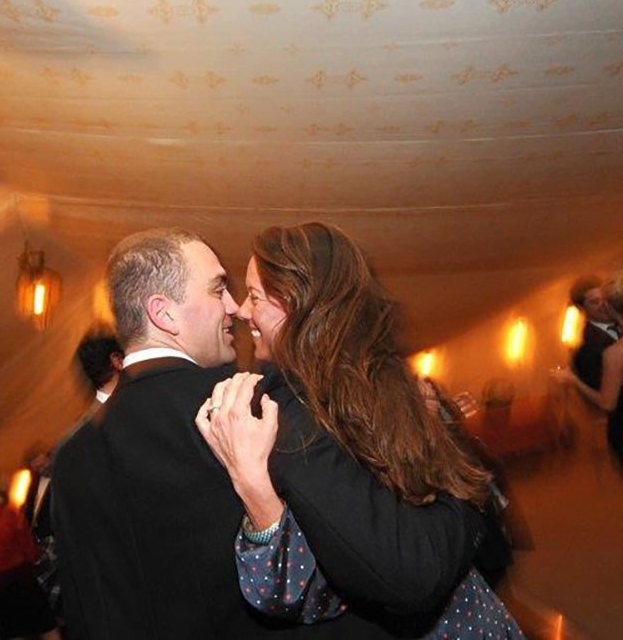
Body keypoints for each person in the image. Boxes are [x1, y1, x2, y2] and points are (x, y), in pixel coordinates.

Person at [52, 227, 486, 639]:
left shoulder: (70, 456)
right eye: (218, 289)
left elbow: (84, 607)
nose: (233, 307)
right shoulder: (250, 403)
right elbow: (375, 561)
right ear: (163, 313)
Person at [195, 222, 522, 637]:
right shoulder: (310, 407)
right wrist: (464, 491)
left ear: (296, 304)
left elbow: (409, 564)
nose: (242, 311)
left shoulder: (334, 397)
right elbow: (401, 566)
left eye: (254, 296)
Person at [556, 271, 623, 531]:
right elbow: (613, 401)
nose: (602, 305)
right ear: (582, 309)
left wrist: (572, 381)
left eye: (604, 299)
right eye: (595, 302)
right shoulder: (587, 351)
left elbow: (607, 401)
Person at [0, 485, 61, 640]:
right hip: (23, 580)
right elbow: (31, 553)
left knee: (12, 632)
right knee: (46, 625)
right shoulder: (12, 514)